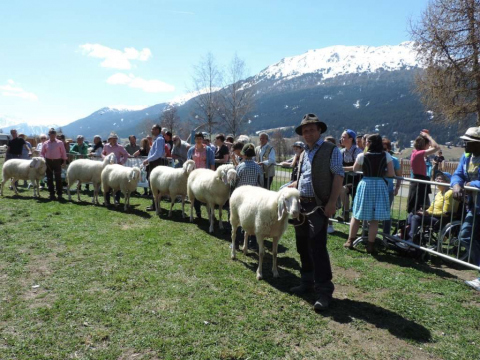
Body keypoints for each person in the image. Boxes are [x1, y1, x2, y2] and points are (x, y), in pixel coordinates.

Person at [288, 113, 344, 311]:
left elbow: (338, 176)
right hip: (301, 206)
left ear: (319, 130)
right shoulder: (303, 153)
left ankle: (324, 292)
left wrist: (332, 202)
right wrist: (288, 188)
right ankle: (306, 282)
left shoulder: (331, 150)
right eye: (305, 130)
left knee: (318, 248)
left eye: (312, 129)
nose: (308, 133)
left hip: (319, 207)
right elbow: (302, 179)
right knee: (302, 245)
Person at [344, 134, 395, 253]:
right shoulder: (386, 155)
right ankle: (370, 245)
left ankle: (350, 241)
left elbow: (355, 169)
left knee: (357, 215)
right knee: (374, 219)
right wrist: (381, 173)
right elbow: (391, 174)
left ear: (371, 143)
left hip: (366, 184)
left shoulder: (362, 155)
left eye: (367, 141)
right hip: (379, 185)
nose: (365, 143)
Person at [451, 127, 480, 292]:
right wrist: (456, 184)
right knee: (465, 236)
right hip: (474, 207)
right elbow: (457, 174)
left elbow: (470, 182)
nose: (464, 145)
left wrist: (471, 185)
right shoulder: (467, 156)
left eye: (468, 142)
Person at [408, 171, 458, 241]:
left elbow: (445, 213)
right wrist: (424, 211)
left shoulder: (449, 193)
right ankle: (405, 235)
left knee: (415, 218)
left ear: (447, 182)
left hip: (441, 219)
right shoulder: (439, 193)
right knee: (412, 214)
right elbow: (431, 208)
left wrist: (428, 213)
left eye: (440, 179)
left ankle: (411, 239)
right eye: (436, 179)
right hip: (433, 216)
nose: (437, 180)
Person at [407, 131, 440, 213]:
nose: (429, 146)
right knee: (419, 207)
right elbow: (436, 147)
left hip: (419, 182)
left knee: (417, 206)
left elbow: (432, 146)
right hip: (419, 184)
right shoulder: (419, 153)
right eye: (428, 144)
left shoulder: (415, 152)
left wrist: (425, 138)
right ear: (424, 144)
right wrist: (428, 136)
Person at [187, 132, 215, 219]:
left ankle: (211, 213)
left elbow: (212, 162)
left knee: (208, 195)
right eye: (197, 138)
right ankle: (198, 213)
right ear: (194, 139)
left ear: (203, 139)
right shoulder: (191, 150)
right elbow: (188, 162)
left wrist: (212, 174)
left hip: (205, 175)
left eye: (200, 138)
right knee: (195, 194)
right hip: (195, 176)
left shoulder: (208, 150)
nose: (198, 140)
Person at [339, 129, 363, 223]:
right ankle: (345, 212)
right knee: (342, 191)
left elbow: (355, 168)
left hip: (357, 180)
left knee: (357, 202)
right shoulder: (342, 152)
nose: (341, 139)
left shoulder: (358, 152)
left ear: (351, 139)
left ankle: (358, 220)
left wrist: (342, 168)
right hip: (347, 179)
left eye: (344, 137)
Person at [102, 132, 130, 205]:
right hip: (108, 168)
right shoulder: (106, 146)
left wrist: (121, 162)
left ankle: (117, 200)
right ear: (109, 139)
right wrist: (106, 158)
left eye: (115, 139)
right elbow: (102, 153)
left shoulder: (120, 147)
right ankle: (107, 200)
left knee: (117, 184)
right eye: (112, 139)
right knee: (107, 184)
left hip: (116, 168)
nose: (114, 140)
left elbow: (125, 154)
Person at [144, 125, 167, 211]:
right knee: (153, 184)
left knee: (153, 184)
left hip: (155, 163)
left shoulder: (159, 139)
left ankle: (155, 205)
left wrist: (147, 160)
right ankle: (155, 204)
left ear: (157, 130)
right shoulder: (158, 139)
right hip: (155, 162)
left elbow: (158, 153)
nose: (151, 130)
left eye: (153, 129)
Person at [382, 137, 402, 236]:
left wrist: (397, 188)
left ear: (389, 149)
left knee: (386, 212)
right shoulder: (376, 158)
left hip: (388, 190)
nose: (382, 151)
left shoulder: (394, 160)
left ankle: (386, 235)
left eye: (384, 149)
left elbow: (399, 175)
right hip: (376, 189)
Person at [41, 128, 67, 201]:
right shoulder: (45, 143)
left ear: (55, 135)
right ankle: (51, 194)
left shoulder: (60, 143)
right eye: (50, 135)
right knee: (49, 178)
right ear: (49, 135)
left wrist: (64, 161)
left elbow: (63, 152)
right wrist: (43, 159)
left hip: (57, 162)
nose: (52, 136)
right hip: (48, 162)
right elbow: (42, 153)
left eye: (53, 134)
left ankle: (59, 194)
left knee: (58, 178)